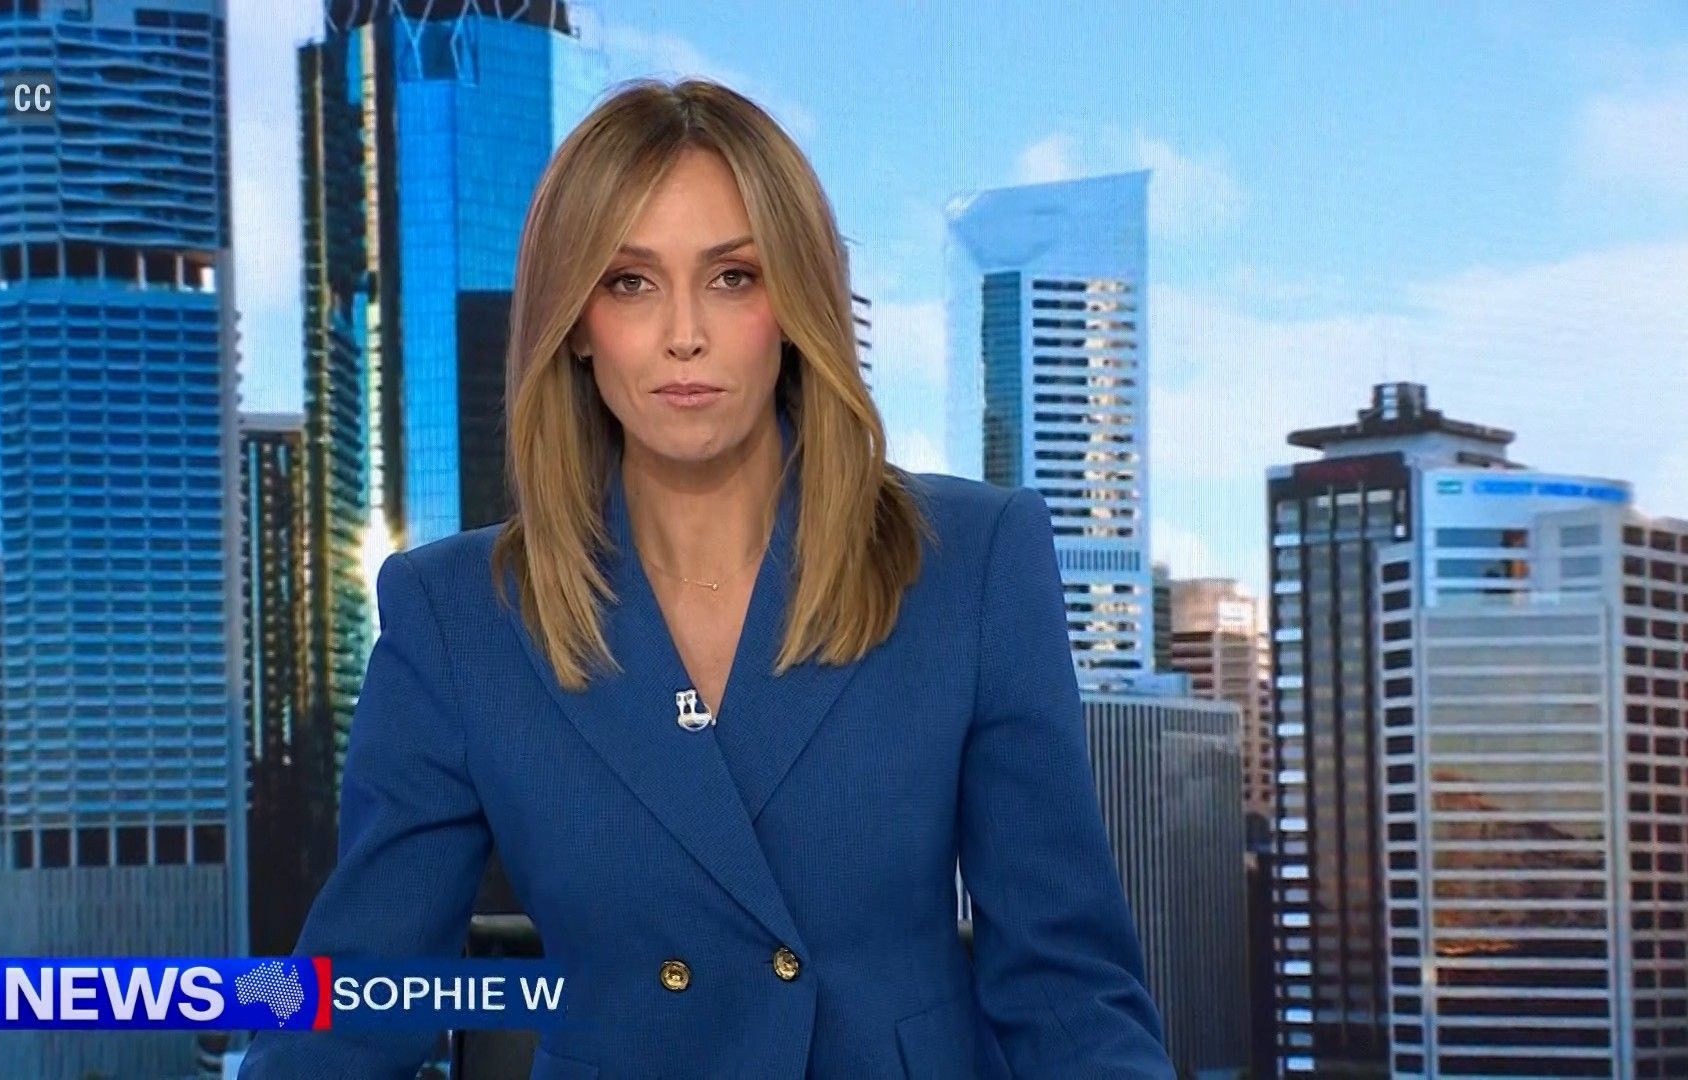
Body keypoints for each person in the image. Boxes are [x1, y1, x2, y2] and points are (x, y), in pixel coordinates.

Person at [239, 76, 1173, 1079]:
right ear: (576, 324)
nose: (684, 333)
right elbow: (358, 1001)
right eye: (629, 283)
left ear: (796, 304)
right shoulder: (456, 616)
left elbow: (1068, 995)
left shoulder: (972, 561)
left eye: (732, 277)